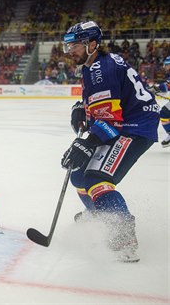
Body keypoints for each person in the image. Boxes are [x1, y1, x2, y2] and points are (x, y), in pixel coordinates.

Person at [60, 21, 159, 262]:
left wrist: (89, 141)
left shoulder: (99, 70)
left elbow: (111, 121)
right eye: (68, 45)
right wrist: (81, 108)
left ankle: (123, 235)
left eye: (75, 45)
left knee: (96, 177)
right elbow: (105, 102)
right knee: (78, 175)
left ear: (92, 44)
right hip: (124, 121)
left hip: (135, 127)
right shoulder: (93, 64)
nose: (70, 50)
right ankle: (98, 212)